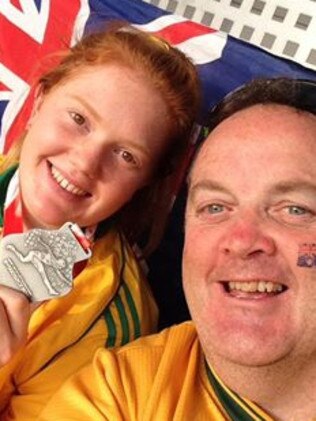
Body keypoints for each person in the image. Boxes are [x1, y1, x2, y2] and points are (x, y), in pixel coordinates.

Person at [40, 77, 316, 421]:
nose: (242, 241)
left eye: (295, 209)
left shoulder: (105, 311)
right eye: (215, 207)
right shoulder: (122, 392)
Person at [0, 23, 200, 419]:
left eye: (126, 155)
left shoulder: (109, 326)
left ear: (145, 182)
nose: (85, 163)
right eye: (79, 118)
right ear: (40, 101)